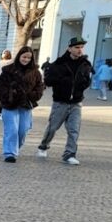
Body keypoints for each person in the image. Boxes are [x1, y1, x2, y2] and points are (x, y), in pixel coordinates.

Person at [36, 36, 92, 166]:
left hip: (76, 103)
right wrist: (63, 81)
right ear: (69, 48)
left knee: (74, 130)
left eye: (81, 47)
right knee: (52, 128)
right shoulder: (59, 63)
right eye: (77, 47)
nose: (80, 50)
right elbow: (48, 81)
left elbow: (87, 80)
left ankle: (69, 154)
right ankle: (43, 146)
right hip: (60, 102)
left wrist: (81, 87)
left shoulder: (85, 64)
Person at [0, 46, 44, 162]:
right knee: (12, 129)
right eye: (24, 57)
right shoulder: (8, 70)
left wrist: (33, 95)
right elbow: (0, 86)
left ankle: (14, 148)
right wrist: (8, 96)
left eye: (28, 58)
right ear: (19, 56)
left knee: (23, 130)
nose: (26, 59)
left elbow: (40, 87)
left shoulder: (35, 72)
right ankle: (10, 153)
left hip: (26, 104)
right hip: (10, 104)